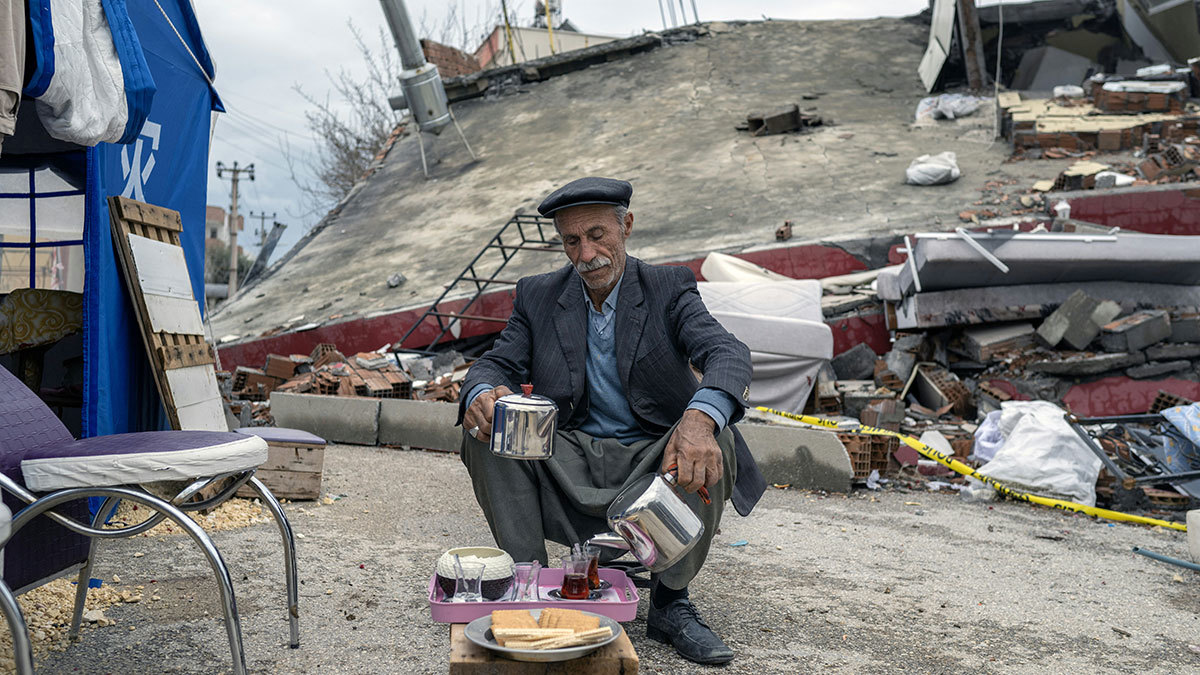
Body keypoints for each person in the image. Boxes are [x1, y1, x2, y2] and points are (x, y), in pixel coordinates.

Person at [458, 176, 762, 665]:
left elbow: (726, 352)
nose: (586, 253)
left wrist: (701, 419)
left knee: (715, 435)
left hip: (652, 459)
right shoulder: (537, 296)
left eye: (598, 234)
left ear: (627, 227)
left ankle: (669, 604)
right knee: (488, 431)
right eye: (572, 241)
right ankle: (530, 586)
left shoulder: (669, 287)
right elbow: (496, 364)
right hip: (570, 457)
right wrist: (479, 391)